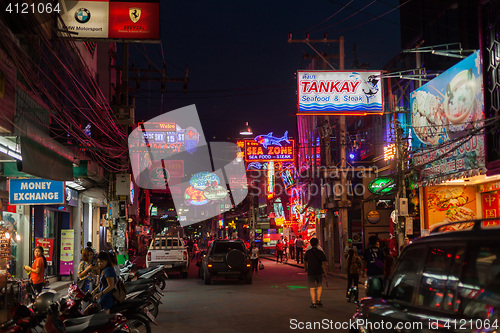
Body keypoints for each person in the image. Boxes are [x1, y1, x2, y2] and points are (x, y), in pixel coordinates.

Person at [304, 238, 328, 308]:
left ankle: (313, 303)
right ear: (317, 244)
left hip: (311, 271)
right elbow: (323, 264)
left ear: (310, 244)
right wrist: (325, 272)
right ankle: (318, 300)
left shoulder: (308, 252)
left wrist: (305, 268)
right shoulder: (320, 252)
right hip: (319, 271)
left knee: (312, 287)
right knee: (319, 286)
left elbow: (305, 261)